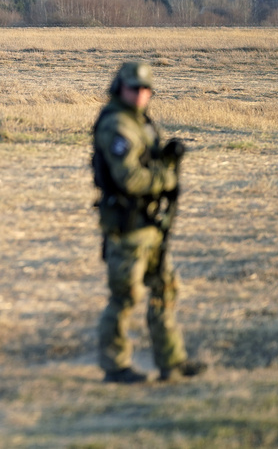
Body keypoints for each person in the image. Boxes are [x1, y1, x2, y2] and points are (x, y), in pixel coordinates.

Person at [91, 61, 207, 383]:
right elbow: (129, 177)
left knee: (165, 289)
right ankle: (115, 366)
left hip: (151, 223)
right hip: (128, 225)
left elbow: (147, 162)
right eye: (134, 88)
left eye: (145, 89)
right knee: (125, 297)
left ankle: (171, 361)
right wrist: (165, 176)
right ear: (120, 88)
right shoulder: (117, 125)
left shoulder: (139, 122)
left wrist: (166, 156)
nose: (140, 95)